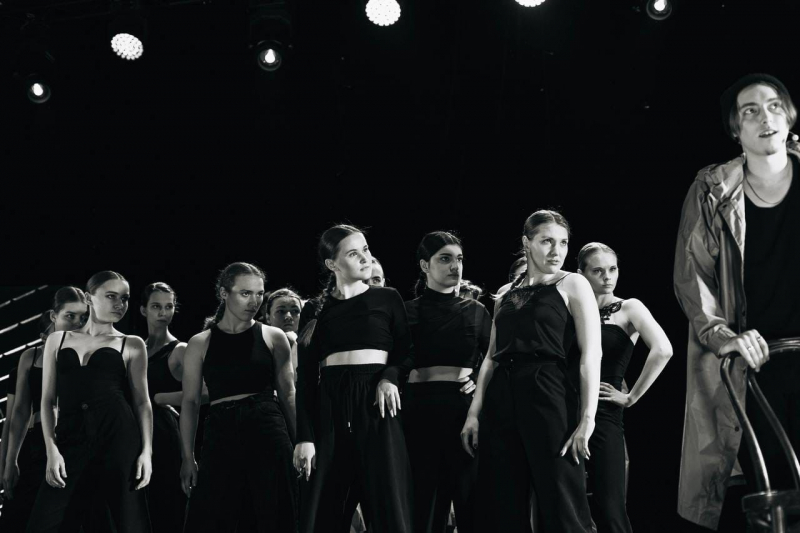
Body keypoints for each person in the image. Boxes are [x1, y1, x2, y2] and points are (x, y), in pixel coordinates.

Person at [674, 73, 800, 532]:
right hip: (758, 364)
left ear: (789, 116)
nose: (765, 117)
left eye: (773, 105)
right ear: (736, 129)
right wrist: (723, 336)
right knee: (777, 494)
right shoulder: (712, 189)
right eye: (750, 111)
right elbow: (692, 275)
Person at [461, 210, 601, 532]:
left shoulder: (573, 283)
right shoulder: (505, 293)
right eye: (547, 241)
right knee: (504, 499)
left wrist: (587, 418)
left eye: (563, 242)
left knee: (561, 497)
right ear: (527, 243)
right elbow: (491, 358)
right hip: (502, 393)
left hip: (548, 388)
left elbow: (591, 354)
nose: (556, 250)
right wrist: (474, 412)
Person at [294, 224, 414, 533]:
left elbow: (406, 352)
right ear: (332, 264)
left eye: (366, 250)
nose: (365, 258)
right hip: (330, 410)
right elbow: (305, 378)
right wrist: (305, 437)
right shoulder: (314, 309)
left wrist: (389, 378)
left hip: (378, 407)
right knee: (323, 512)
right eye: (353, 253)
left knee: (389, 508)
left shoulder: (387, 298)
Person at [26, 271, 153, 532]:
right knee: (43, 523)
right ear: (88, 298)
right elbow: (48, 401)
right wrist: (52, 449)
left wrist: (146, 452)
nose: (120, 304)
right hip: (70, 439)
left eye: (125, 298)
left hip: (118, 438)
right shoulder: (57, 340)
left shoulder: (132, 343)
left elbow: (142, 402)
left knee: (128, 522)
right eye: (111, 296)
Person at [180, 262, 297, 533]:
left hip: (267, 426)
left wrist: (301, 441)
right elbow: (190, 402)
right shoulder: (200, 342)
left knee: (274, 516)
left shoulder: (273, 336)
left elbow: (288, 394)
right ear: (224, 293)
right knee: (210, 518)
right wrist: (187, 457)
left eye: (259, 294)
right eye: (245, 293)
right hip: (220, 432)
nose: (254, 302)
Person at [577, 243, 673, 533]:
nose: (607, 277)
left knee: (610, 507)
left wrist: (631, 397)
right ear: (581, 273)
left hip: (604, 412)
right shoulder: (571, 309)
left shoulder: (628, 307)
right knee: (568, 508)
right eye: (598, 270)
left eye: (613, 269)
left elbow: (663, 350)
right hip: (564, 408)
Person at [404, 231, 491, 533]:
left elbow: (496, 360)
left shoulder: (477, 311)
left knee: (470, 500)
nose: (456, 266)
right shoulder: (406, 311)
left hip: (462, 411)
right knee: (424, 504)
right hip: (418, 412)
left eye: (459, 259)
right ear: (424, 265)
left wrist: (478, 379)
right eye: (445, 259)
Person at [0, 289, 87, 532]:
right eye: (70, 316)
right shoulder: (31, 356)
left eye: (83, 317)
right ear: (53, 316)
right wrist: (10, 461)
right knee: (19, 516)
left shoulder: (90, 353)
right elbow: (19, 413)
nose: (77, 323)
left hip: (76, 442)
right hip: (36, 443)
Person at [140, 282, 196, 533]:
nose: (163, 312)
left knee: (164, 508)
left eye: (169, 306)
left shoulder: (180, 350)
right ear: (143, 310)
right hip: (135, 435)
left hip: (163, 436)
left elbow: (206, 391)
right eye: (156, 306)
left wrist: (160, 399)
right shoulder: (135, 348)